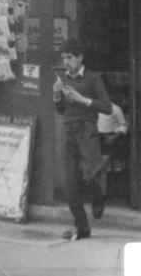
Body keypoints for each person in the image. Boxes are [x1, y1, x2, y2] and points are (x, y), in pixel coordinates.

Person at [53, 38, 112, 240]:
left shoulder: (94, 79)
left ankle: (99, 197)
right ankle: (83, 228)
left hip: (87, 130)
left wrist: (82, 100)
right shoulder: (62, 80)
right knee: (70, 183)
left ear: (80, 57)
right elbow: (61, 110)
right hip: (68, 131)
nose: (66, 62)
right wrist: (56, 97)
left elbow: (108, 107)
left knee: (92, 175)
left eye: (69, 57)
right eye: (63, 58)